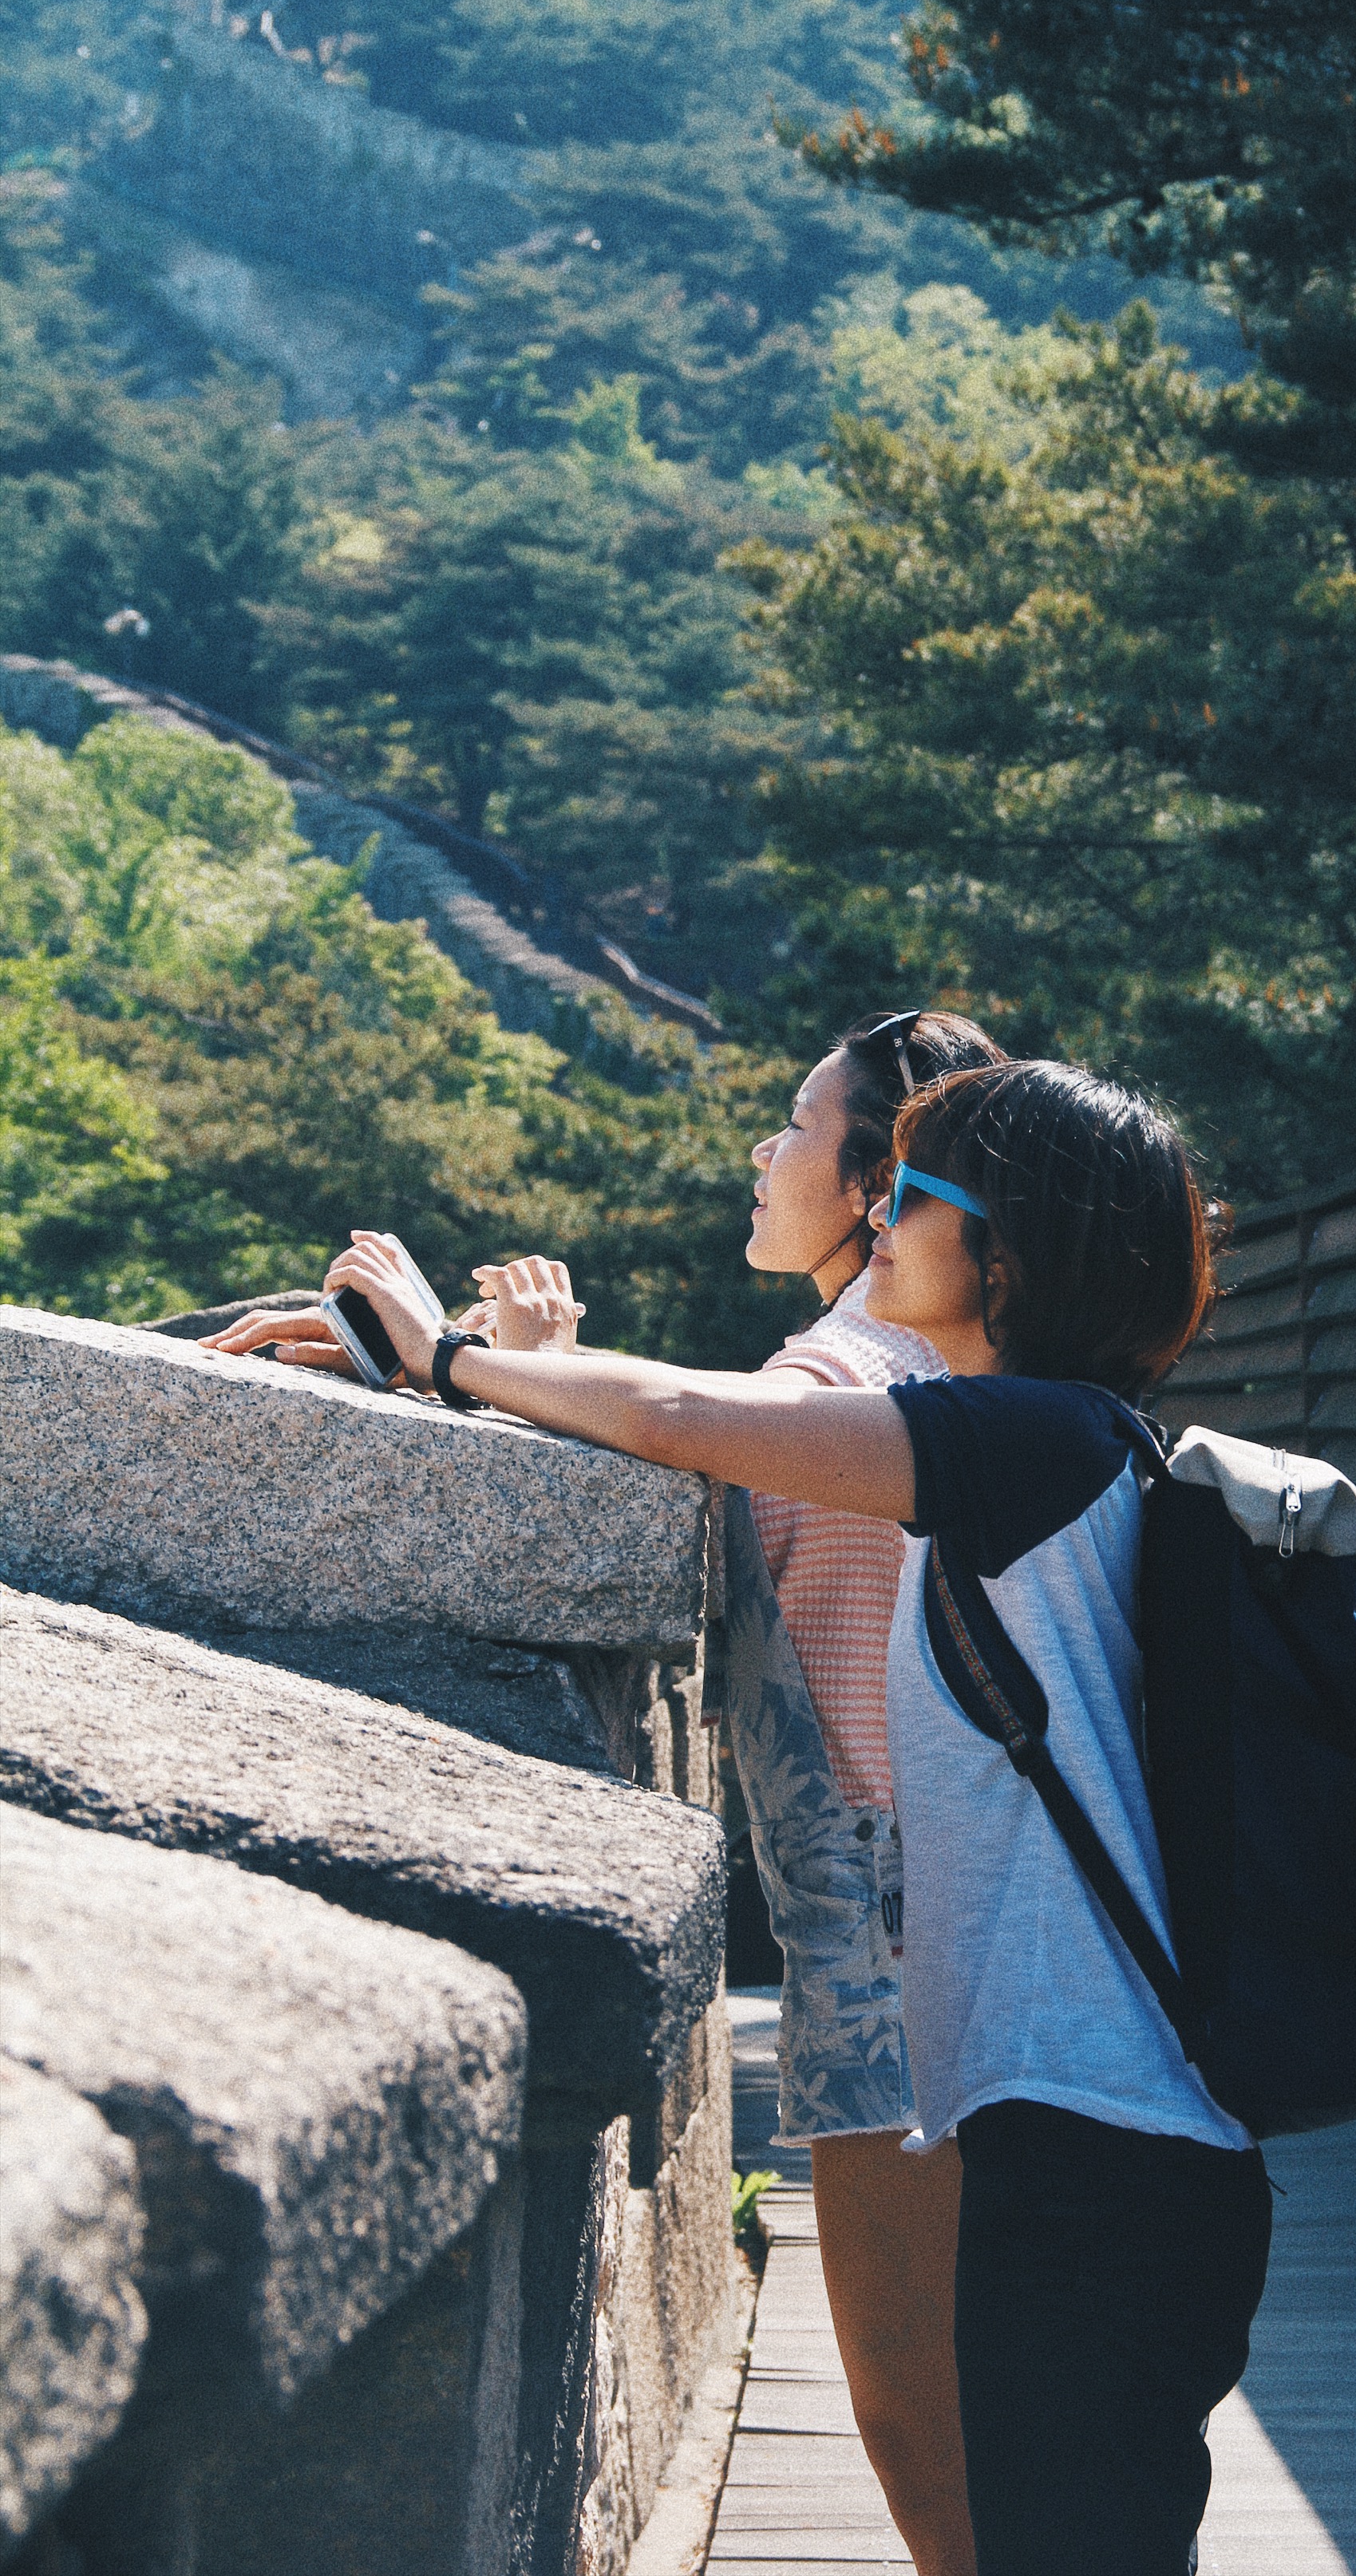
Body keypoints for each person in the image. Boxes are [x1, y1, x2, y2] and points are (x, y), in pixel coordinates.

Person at [287, 1059, 1274, 2576]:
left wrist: (452, 1354)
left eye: (924, 1197)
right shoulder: (1068, 1440)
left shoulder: (1017, 1442)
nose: (888, 1213)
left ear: (1003, 1255)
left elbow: (687, 1413)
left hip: (1100, 2150)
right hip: (1098, 2138)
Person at [204, 1008, 1002, 2576]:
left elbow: (678, 1430)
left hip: (890, 1937)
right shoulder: (925, 1361)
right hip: (944, 1916)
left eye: (795, 1126)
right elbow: (682, 1449)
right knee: (983, 2420)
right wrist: (513, 1380)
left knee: (926, 2431)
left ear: (873, 1189)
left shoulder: (853, 1363)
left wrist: (451, 1362)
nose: (765, 1153)